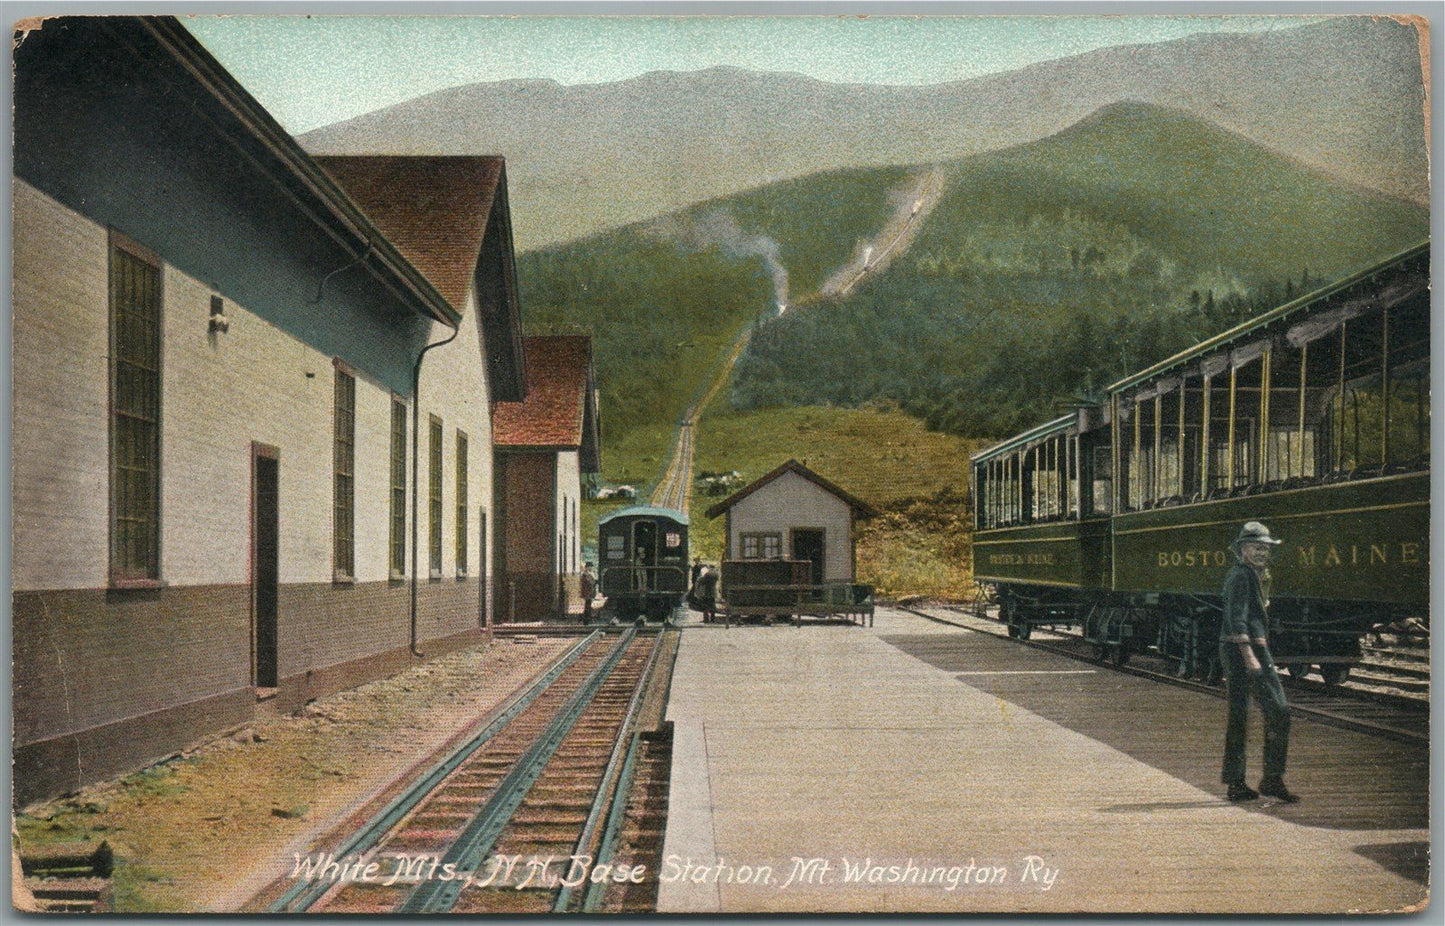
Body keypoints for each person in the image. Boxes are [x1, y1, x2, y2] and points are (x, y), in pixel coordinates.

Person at [1219, 521, 1299, 803]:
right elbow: (1236, 617)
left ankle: (1244, 782)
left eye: (1266, 547)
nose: (1262, 552)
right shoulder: (1242, 576)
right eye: (1256, 547)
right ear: (1242, 550)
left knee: (1244, 714)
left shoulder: (1255, 574)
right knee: (1276, 710)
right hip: (1243, 650)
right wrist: (1249, 656)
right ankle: (1267, 779)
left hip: (1246, 648)